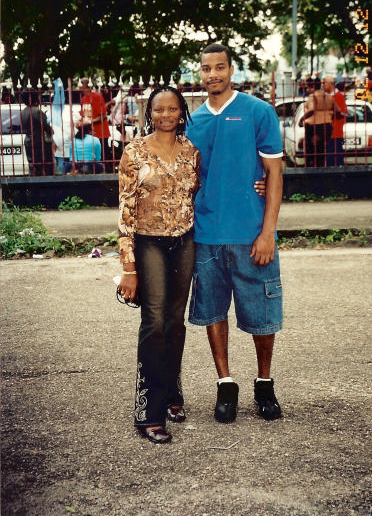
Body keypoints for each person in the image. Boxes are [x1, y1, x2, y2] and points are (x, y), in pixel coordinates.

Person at [186, 43, 284, 424]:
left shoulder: (258, 111)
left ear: (231, 70)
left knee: (262, 314)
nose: (213, 74)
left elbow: (274, 174)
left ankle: (264, 384)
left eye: (219, 67)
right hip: (206, 234)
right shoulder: (193, 122)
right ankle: (225, 385)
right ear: (200, 73)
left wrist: (268, 232)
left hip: (251, 234)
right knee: (213, 311)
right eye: (206, 68)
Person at [118, 86, 201, 444]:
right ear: (149, 114)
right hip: (148, 242)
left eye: (172, 109)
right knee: (153, 321)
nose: (166, 115)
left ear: (182, 112)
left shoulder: (191, 151)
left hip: (184, 242)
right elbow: (125, 210)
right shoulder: (134, 151)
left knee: (175, 322)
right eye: (158, 110)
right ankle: (148, 411)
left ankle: (170, 392)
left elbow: (197, 194)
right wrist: (128, 267)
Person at [300, 77, 340, 167]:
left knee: (311, 152)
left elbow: (312, 110)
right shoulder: (328, 96)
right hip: (327, 126)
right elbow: (338, 111)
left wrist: (302, 119)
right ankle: (321, 168)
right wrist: (328, 115)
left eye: (308, 87)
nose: (307, 90)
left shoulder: (313, 96)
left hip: (314, 127)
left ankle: (311, 169)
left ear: (312, 87)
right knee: (322, 150)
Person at [76, 78, 113, 170]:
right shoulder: (83, 99)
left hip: (100, 133)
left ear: (86, 86)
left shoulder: (97, 96)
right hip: (90, 134)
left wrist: (89, 121)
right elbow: (84, 115)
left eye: (80, 85)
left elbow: (103, 116)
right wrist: (79, 121)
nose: (79, 88)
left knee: (102, 156)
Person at [21, 90, 55, 176]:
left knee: (33, 166)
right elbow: (45, 126)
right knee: (46, 166)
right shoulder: (37, 111)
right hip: (39, 142)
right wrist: (51, 131)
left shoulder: (23, 111)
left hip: (28, 141)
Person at [322, 76, 348, 167]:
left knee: (335, 160)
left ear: (331, 84)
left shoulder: (339, 96)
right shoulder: (324, 96)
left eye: (324, 83)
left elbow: (343, 113)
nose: (322, 85)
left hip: (335, 134)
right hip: (325, 133)